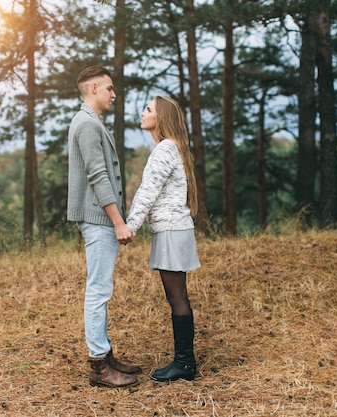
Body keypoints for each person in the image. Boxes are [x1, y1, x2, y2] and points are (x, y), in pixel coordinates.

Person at [67, 65, 141, 388]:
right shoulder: (86, 124)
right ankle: (98, 366)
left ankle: (105, 354)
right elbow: (98, 175)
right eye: (109, 88)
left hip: (100, 219)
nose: (114, 94)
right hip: (99, 220)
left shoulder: (91, 122)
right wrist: (118, 222)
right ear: (94, 88)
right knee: (98, 289)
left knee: (101, 287)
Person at [126, 96, 201, 382]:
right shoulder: (172, 148)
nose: (143, 113)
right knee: (177, 296)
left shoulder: (165, 149)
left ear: (161, 118)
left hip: (171, 230)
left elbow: (148, 192)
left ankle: (184, 363)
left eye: (149, 110)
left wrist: (130, 226)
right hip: (174, 229)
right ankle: (185, 361)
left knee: (177, 297)